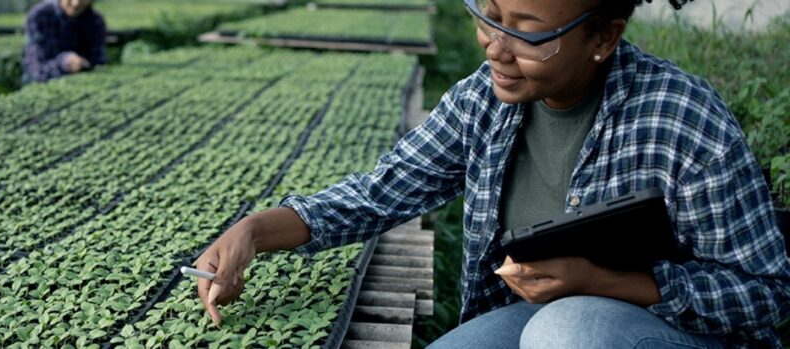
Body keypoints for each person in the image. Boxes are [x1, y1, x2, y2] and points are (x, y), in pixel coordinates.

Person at [194, 0, 790, 347]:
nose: (496, 48)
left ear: (604, 37)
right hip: (535, 323)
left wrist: (601, 282)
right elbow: (380, 192)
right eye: (490, 14)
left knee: (568, 329)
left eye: (528, 31)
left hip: (663, 332)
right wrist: (255, 232)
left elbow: (765, 294)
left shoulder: (681, 118)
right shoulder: (484, 99)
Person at [23, 0, 107, 84]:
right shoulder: (40, 16)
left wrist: (83, 64)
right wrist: (63, 63)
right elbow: (35, 70)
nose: (76, 3)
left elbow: (98, 63)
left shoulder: (95, 21)